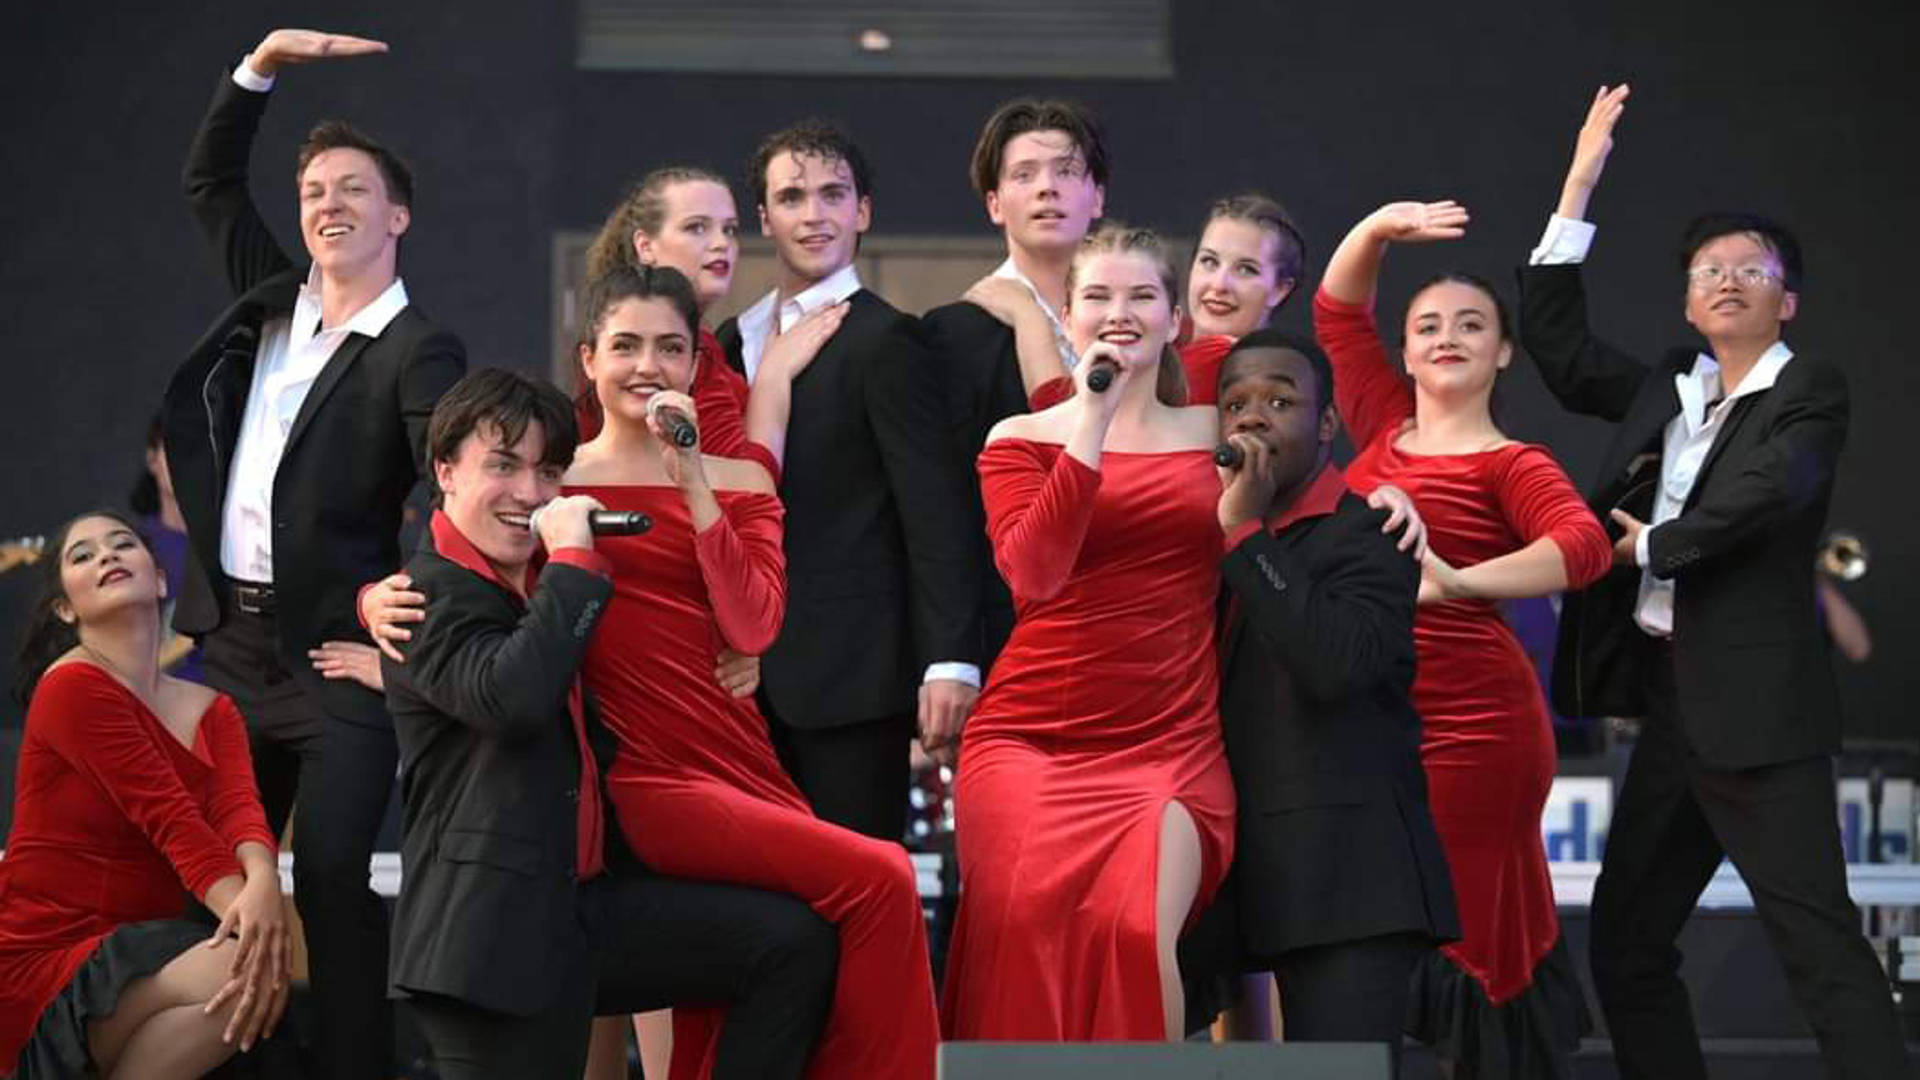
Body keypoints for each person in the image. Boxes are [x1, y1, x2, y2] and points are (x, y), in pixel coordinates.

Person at [1520, 85, 1911, 1080]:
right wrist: (1579, 182)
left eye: (1752, 269)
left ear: (1787, 300)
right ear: (1691, 300)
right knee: (1626, 940)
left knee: (1816, 945)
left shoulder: (1806, 389)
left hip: (1761, 716)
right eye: (1709, 270)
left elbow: (1775, 491)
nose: (1728, 280)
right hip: (1669, 708)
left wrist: (1652, 546)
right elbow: (1561, 356)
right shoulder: (1671, 386)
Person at [382, 367, 837, 1080]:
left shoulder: (532, 582)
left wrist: (744, 658)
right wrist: (571, 556)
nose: (530, 493)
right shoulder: (420, 596)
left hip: (574, 911)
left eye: (548, 471)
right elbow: (512, 696)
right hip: (488, 942)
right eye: (503, 465)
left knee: (787, 943)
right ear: (446, 470)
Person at [159, 29, 466, 1078]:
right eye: (314, 190)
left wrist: (403, 627)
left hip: (335, 652)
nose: (328, 203)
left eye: (352, 188)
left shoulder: (418, 348)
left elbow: (453, 486)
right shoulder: (272, 301)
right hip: (234, 647)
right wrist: (258, 69)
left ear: (399, 215)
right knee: (201, 879)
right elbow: (209, 180)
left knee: (331, 876)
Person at [1315, 198, 1612, 1075]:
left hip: (1476, 726)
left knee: (1463, 927)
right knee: (1377, 928)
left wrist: (1455, 584)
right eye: (1429, 325)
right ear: (1405, 351)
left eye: (1471, 324)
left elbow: (1584, 546)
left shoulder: (1511, 462)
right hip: (1370, 720)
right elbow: (1337, 312)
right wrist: (1374, 230)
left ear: (1504, 350)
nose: (1447, 338)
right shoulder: (1377, 418)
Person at [940, 224, 1235, 1041]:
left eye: (1142, 296)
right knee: (1019, 931)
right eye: (1098, 297)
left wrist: (1391, 502)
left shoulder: (1220, 439)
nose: (1120, 313)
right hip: (1029, 736)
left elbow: (1317, 512)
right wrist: (1092, 419)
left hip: (1170, 740)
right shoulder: (1019, 441)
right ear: (1067, 316)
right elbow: (1034, 574)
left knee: (1137, 931)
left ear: (1175, 320)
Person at [717, 120, 982, 836]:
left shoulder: (888, 339)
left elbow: (935, 510)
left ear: (862, 211)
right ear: (763, 217)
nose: (814, 214)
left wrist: (949, 660)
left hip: (850, 678)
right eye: (793, 196)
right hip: (729, 678)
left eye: (833, 195)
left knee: (855, 886)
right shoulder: (723, 342)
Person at [1209, 331, 1459, 1064]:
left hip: (1348, 879)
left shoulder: (1372, 533)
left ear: (1326, 424)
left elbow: (1334, 664)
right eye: (1235, 404)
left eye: (1281, 401)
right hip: (1233, 861)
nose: (1253, 419)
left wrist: (1246, 534)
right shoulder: (1201, 531)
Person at [0, 511, 289, 1077]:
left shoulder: (214, 708)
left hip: (140, 952)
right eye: (82, 556)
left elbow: (238, 813)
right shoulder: (73, 686)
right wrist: (255, 922)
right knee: (247, 968)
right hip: (48, 955)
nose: (105, 556)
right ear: (66, 608)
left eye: (122, 545)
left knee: (249, 973)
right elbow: (171, 820)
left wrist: (262, 885)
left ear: (159, 579)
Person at [921, 98, 1109, 668]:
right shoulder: (951, 333)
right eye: (1024, 175)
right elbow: (944, 509)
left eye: (1066, 172)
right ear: (995, 204)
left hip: (1133, 620)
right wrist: (955, 658)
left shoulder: (1144, 324)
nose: (1046, 189)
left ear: (1097, 197)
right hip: (1009, 631)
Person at [1181, 193, 1307, 405]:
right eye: (1209, 261)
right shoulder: (1165, 339)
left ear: (1280, 290)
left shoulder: (1234, 367)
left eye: (1246, 269)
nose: (1219, 284)